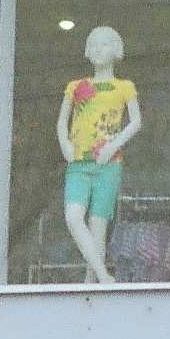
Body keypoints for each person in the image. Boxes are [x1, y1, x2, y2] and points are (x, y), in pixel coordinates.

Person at [54, 26, 140, 285]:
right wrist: (65, 144)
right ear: (87, 52)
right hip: (79, 162)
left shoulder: (124, 87)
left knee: (98, 228)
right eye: (94, 45)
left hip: (108, 164)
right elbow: (62, 122)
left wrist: (113, 147)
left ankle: (91, 286)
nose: (98, 49)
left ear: (116, 50)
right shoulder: (75, 86)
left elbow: (136, 122)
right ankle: (103, 276)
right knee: (73, 217)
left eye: (104, 44)